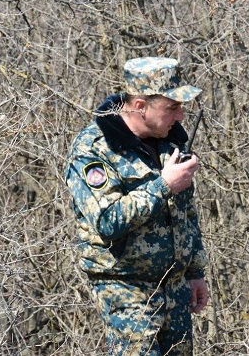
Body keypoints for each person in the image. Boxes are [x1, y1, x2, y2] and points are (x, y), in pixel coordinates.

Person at [64, 56, 209, 356]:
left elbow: (186, 212)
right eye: (172, 107)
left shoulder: (169, 142)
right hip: (127, 292)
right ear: (141, 106)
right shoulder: (94, 149)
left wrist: (195, 272)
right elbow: (107, 220)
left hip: (176, 290)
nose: (181, 115)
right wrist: (164, 185)